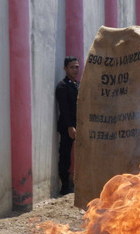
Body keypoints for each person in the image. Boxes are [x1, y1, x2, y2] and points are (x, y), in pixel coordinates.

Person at [55, 56, 79, 195]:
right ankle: (64, 186)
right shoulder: (62, 86)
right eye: (72, 67)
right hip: (67, 126)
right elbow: (64, 109)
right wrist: (70, 126)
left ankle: (75, 183)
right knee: (65, 155)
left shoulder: (78, 85)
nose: (75, 69)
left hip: (79, 125)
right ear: (65, 69)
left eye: (76, 67)